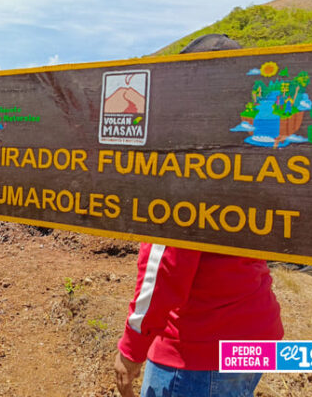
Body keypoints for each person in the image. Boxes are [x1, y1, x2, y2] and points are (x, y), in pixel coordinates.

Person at [114, 34, 284, 397]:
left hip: (199, 350)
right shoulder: (257, 151)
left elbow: (166, 267)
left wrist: (131, 350)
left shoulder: (192, 159)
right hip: (257, 335)